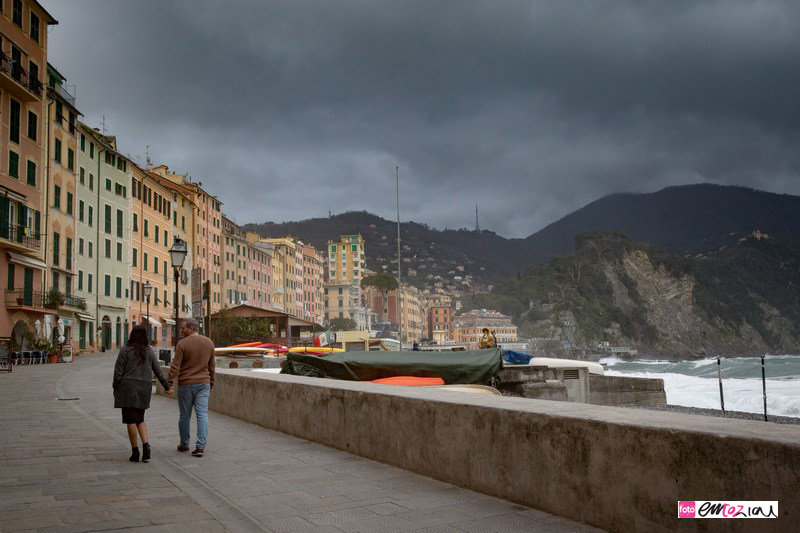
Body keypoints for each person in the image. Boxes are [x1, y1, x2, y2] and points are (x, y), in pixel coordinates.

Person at [113, 325, 173, 462]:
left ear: (132, 335)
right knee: (140, 418)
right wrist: (166, 387)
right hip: (143, 389)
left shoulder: (125, 351)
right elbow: (158, 371)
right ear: (145, 336)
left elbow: (118, 372)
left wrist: (116, 387)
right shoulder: (149, 352)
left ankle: (135, 452)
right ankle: (146, 446)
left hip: (127, 388)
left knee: (130, 420)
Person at [167, 318, 215, 457]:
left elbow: (175, 366)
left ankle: (184, 444)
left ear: (191, 328)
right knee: (202, 415)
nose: (181, 330)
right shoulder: (209, 342)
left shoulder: (182, 344)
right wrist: (212, 382)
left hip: (186, 383)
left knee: (185, 416)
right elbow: (212, 366)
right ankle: (200, 447)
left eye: (183, 328)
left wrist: (169, 382)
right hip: (204, 383)